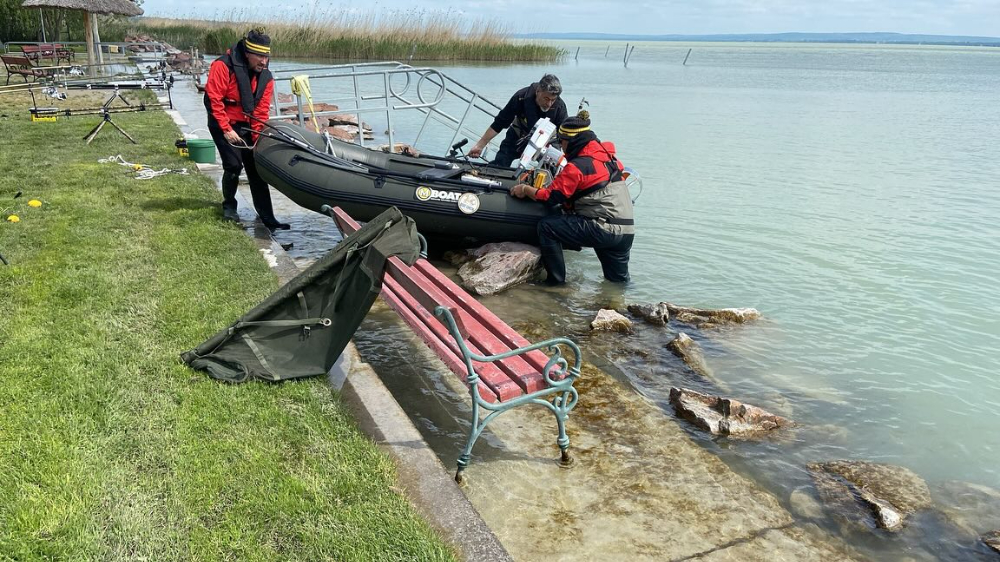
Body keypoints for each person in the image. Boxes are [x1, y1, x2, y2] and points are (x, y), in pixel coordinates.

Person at [510, 113, 634, 285]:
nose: (561, 146)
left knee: (547, 227)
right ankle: (621, 307)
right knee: (617, 282)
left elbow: (550, 197)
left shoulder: (577, 166)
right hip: (626, 230)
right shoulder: (612, 160)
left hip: (602, 228)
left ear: (571, 141)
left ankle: (556, 283)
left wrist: (525, 189)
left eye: (561, 141)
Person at [203, 27, 289, 230]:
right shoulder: (222, 66)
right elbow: (214, 99)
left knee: (257, 169)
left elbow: (260, 111)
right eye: (259, 56)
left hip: (247, 125)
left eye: (266, 57)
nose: (264, 62)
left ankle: (268, 217)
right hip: (223, 121)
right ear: (248, 53)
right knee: (233, 165)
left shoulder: (266, 77)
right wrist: (226, 129)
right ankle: (229, 207)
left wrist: (257, 136)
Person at [468, 74, 568, 167]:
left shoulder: (560, 107)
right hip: (519, 135)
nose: (549, 103)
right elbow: (499, 123)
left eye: (553, 100)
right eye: (546, 98)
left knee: (553, 168)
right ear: (538, 91)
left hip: (546, 141)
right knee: (501, 161)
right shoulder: (520, 97)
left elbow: (565, 136)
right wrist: (480, 145)